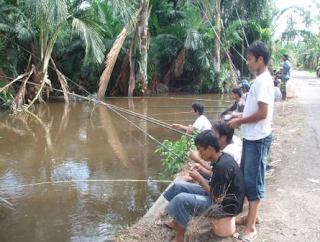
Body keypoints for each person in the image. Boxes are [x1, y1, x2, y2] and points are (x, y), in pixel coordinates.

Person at [158, 130, 245, 242]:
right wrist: (201, 171)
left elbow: (217, 198)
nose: (199, 154)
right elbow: (213, 175)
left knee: (182, 200)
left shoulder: (223, 166)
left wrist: (199, 178)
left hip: (224, 207)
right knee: (178, 186)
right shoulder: (221, 158)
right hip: (218, 195)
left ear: (210, 148)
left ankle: (180, 238)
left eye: (200, 151)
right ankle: (175, 222)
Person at [228, 41, 274, 242]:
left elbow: (263, 113)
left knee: (253, 183)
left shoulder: (263, 81)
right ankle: (252, 216)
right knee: (248, 178)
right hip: (251, 138)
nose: (247, 63)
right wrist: (240, 119)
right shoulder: (260, 80)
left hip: (257, 140)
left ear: (260, 60)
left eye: (249, 59)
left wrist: (239, 120)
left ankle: (251, 228)